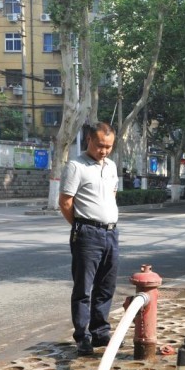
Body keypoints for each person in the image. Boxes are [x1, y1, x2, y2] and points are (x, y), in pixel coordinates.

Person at [59, 122, 119, 356]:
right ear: (89, 141)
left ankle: (100, 332)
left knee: (106, 285)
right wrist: (81, 226)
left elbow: (112, 195)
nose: (103, 151)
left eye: (108, 147)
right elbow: (65, 202)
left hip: (111, 233)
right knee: (84, 288)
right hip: (87, 233)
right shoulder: (76, 166)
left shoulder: (111, 166)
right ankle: (82, 336)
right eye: (100, 145)